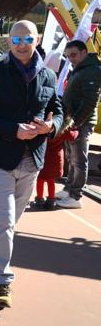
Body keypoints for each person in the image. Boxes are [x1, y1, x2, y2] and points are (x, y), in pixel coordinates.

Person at [0, 20, 63, 308]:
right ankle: (2, 281)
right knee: (5, 223)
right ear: (8, 41)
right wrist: (13, 129)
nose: (22, 44)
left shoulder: (48, 75)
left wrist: (50, 127)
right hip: (0, 160)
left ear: (36, 41)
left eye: (27, 39)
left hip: (32, 161)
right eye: (16, 39)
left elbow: (58, 111)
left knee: (7, 225)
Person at [56, 40, 101, 209]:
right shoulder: (82, 69)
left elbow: (90, 100)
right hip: (73, 121)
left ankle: (75, 196)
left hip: (80, 123)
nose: (71, 59)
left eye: (73, 55)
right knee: (71, 158)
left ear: (84, 52)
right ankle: (69, 189)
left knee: (79, 160)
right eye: (68, 56)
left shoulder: (91, 70)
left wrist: (76, 122)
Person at [33, 122, 78, 210]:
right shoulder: (64, 129)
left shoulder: (45, 128)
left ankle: (39, 200)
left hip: (43, 157)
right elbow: (72, 136)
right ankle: (50, 201)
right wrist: (76, 130)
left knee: (40, 180)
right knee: (51, 181)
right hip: (56, 159)